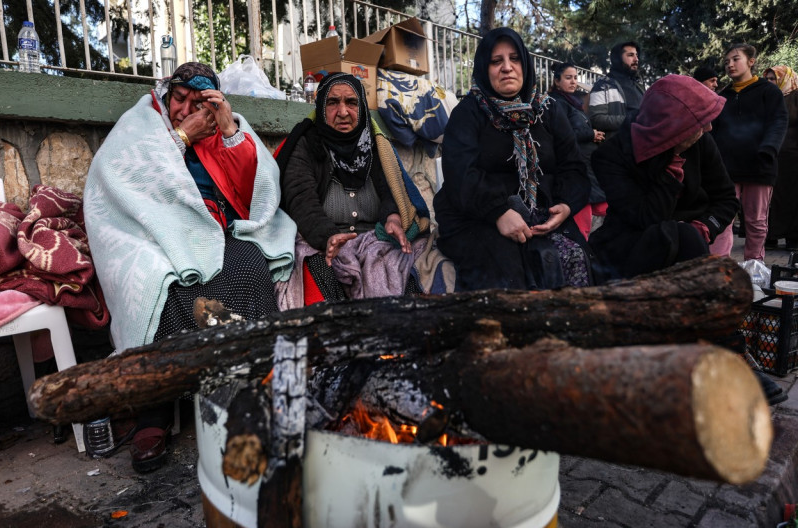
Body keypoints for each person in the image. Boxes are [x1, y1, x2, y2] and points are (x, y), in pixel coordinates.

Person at [83, 62, 296, 472]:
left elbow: (254, 192)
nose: (186, 108)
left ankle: (245, 388)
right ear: (167, 94)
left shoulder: (224, 126)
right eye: (180, 99)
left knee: (249, 267)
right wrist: (182, 138)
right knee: (157, 283)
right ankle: (155, 408)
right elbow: (121, 175)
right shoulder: (141, 123)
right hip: (153, 237)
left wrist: (229, 130)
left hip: (214, 233)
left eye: (199, 102)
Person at [434, 27, 592, 291]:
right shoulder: (469, 112)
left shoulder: (549, 110)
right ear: (485, 68)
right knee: (507, 269)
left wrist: (565, 205)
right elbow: (460, 173)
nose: (507, 68)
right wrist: (497, 212)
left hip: (542, 216)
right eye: (497, 61)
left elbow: (573, 167)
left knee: (574, 258)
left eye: (514, 59)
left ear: (525, 65)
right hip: (476, 216)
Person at [275, 72, 437, 307]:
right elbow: (301, 201)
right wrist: (328, 237)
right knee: (326, 281)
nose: (342, 112)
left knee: (415, 272)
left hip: (375, 242)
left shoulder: (375, 145)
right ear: (321, 107)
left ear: (361, 108)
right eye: (333, 103)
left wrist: (392, 217)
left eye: (351, 103)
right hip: (322, 244)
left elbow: (391, 191)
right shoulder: (306, 145)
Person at [589, 74, 738, 281]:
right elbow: (647, 217)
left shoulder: (701, 141)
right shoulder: (610, 156)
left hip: (691, 243)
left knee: (686, 235)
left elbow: (726, 198)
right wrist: (673, 161)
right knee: (678, 234)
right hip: (634, 249)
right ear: (670, 125)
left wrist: (704, 228)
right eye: (699, 121)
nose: (708, 128)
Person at [708, 44, 788, 261]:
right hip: (726, 168)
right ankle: (718, 265)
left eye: (735, 59)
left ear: (751, 61)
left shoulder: (768, 91)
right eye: (726, 62)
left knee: (756, 221)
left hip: (759, 164)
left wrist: (769, 148)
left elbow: (778, 121)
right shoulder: (722, 97)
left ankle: (754, 266)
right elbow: (712, 131)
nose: (730, 65)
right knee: (722, 218)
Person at [549, 62, 607, 238]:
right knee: (583, 216)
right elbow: (563, 135)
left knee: (602, 211)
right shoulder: (557, 103)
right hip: (577, 167)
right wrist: (590, 134)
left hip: (589, 167)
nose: (573, 82)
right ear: (557, 81)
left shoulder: (573, 103)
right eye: (568, 78)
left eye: (575, 78)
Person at [763, 66, 798, 250]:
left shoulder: (795, 96)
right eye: (767, 78)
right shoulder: (766, 98)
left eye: (773, 78)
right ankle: (771, 235)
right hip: (770, 155)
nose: (769, 82)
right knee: (770, 198)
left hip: (792, 156)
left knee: (790, 197)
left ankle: (793, 237)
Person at [589, 41, 646, 139]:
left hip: (642, 145)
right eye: (630, 55)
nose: (636, 59)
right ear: (618, 59)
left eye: (636, 55)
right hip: (618, 148)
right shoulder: (603, 85)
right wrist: (631, 120)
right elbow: (596, 119)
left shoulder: (639, 86)